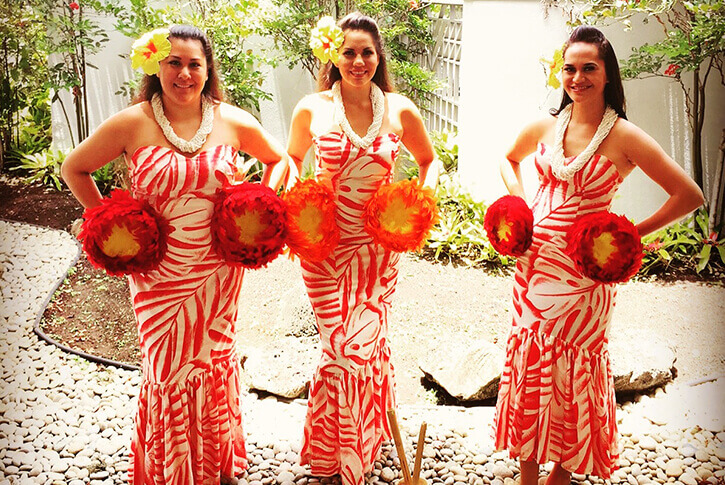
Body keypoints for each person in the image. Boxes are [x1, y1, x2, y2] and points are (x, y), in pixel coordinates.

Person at [61, 25, 288, 484]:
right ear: (157, 67)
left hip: (217, 270)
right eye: (174, 63)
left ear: (207, 71)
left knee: (212, 360)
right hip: (157, 275)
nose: (184, 73)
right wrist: (111, 223)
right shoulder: (133, 122)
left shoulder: (230, 119)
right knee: (166, 367)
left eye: (194, 64)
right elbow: (74, 167)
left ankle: (214, 464)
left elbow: (279, 160)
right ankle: (173, 469)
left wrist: (257, 211)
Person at [492, 25, 704, 484]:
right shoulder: (546, 124)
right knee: (530, 368)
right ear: (560, 74)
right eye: (569, 68)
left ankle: (560, 477)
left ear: (607, 75)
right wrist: (522, 206)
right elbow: (508, 159)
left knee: (573, 376)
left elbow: (688, 194)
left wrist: (630, 235)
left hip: (585, 281)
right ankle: (528, 474)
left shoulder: (625, 135)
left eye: (590, 67)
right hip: (533, 273)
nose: (578, 76)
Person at [286, 12, 438, 485]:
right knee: (340, 346)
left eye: (367, 52)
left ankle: (355, 447)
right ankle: (339, 450)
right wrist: (299, 195)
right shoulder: (312, 108)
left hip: (377, 251)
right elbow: (292, 159)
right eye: (348, 52)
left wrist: (418, 204)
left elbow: (430, 161)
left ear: (378, 57)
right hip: (325, 249)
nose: (357, 61)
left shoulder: (399, 110)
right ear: (335, 55)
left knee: (365, 346)